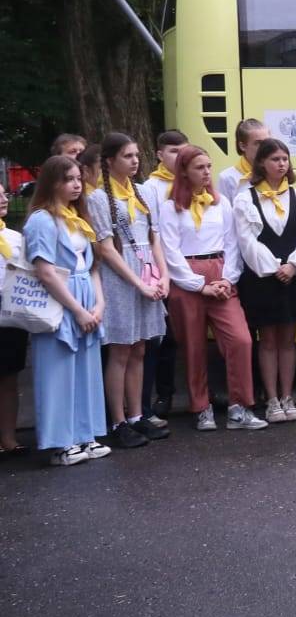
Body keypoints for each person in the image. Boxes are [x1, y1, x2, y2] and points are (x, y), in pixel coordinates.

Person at [158, 146, 265, 431]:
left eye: (208, 166)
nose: (206, 173)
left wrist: (227, 279)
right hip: (188, 277)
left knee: (240, 339)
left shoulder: (221, 204)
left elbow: (233, 244)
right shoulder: (170, 207)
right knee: (193, 346)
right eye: (199, 168)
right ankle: (201, 406)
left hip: (219, 272)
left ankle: (239, 405)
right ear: (184, 172)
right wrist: (198, 285)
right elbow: (169, 251)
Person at [86, 133, 170, 448]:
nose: (135, 161)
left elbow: (154, 238)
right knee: (121, 349)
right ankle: (118, 419)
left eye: (136, 155)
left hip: (147, 273)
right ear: (110, 161)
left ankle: (137, 415)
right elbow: (106, 249)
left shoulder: (142, 193)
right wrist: (138, 284)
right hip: (121, 279)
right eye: (127, 156)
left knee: (140, 348)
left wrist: (162, 277)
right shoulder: (97, 198)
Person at [23, 157, 109, 465]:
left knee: (86, 369)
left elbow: (92, 266)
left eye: (78, 178)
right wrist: (77, 310)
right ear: (52, 183)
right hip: (61, 299)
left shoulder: (77, 216)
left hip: (85, 293)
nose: (76, 184)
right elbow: (45, 271)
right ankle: (60, 442)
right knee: (57, 370)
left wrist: (98, 304)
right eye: (68, 179)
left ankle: (86, 434)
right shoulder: (42, 220)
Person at [234, 137, 296, 423]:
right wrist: (274, 266)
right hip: (263, 278)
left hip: (293, 276)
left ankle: (288, 395)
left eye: (284, 159)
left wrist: (294, 265)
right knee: (267, 340)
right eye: (275, 159)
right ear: (262, 163)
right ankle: (271, 398)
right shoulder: (246, 198)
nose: (281, 164)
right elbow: (247, 240)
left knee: (288, 339)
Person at [140, 129, 188, 417]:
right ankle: (164, 394)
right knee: (163, 338)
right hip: (162, 271)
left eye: (183, 151)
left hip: (189, 267)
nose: (179, 157)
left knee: (187, 336)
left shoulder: (193, 182)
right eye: (173, 152)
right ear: (159, 154)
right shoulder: (152, 187)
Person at [0, 185, 27, 456]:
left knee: (9, 376)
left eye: (3, 193)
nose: (3, 199)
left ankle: (8, 438)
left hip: (10, 311)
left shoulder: (15, 238)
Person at [216, 118, 268, 205]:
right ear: (242, 146)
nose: (265, 147)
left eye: (267, 142)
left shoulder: (274, 171)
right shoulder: (228, 178)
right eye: (258, 143)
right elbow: (226, 214)